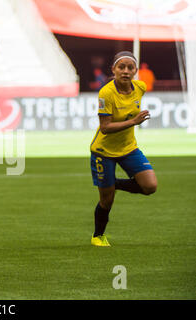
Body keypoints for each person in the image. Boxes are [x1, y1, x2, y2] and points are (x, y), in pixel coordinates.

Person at [89, 51, 157, 247]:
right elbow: (105, 127)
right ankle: (98, 236)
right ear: (113, 70)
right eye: (121, 67)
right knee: (107, 201)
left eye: (130, 68)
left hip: (128, 148)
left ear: (135, 71)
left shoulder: (140, 87)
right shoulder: (106, 93)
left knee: (150, 186)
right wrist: (134, 122)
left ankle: (113, 183)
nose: (126, 71)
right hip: (104, 151)